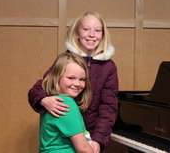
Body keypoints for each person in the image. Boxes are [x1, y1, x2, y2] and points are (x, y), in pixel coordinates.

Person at [28, 11, 119, 153]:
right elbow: (41, 87)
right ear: (77, 33)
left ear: (102, 35)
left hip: (91, 136)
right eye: (86, 29)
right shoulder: (66, 60)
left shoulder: (109, 67)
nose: (91, 34)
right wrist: (44, 100)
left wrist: (97, 139)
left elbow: (108, 107)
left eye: (97, 30)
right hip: (65, 135)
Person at [39, 52, 93, 153]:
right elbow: (83, 149)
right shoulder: (66, 103)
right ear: (57, 77)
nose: (77, 84)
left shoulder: (52, 100)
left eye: (82, 79)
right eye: (71, 78)